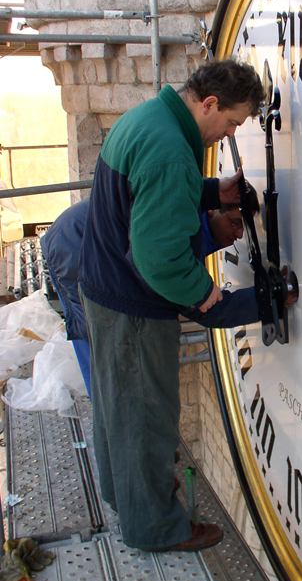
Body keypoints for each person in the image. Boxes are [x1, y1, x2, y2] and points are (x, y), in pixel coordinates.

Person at [77, 59, 265, 553]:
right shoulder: (172, 153)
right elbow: (160, 260)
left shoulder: (149, 119)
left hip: (102, 287)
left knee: (117, 407)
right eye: (232, 122)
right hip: (132, 308)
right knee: (146, 416)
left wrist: (214, 191)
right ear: (210, 104)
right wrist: (205, 294)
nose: (230, 134)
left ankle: (126, 493)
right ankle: (156, 528)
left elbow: (151, 192)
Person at [41, 189, 261, 397]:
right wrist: (268, 300)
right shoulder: (181, 230)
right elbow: (201, 306)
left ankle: (111, 408)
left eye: (245, 227)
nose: (239, 234)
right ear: (212, 210)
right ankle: (108, 412)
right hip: (74, 242)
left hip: (74, 233)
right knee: (98, 337)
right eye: (235, 223)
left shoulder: (190, 215)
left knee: (106, 338)